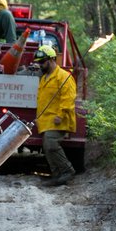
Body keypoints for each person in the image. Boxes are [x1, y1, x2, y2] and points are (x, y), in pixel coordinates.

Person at [34, 44, 77, 187]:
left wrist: (61, 114)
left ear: (52, 60)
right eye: (39, 62)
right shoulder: (45, 77)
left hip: (59, 119)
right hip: (46, 120)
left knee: (51, 143)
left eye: (42, 62)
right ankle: (57, 175)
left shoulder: (64, 77)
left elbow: (68, 98)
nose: (40, 65)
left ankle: (67, 171)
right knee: (47, 146)